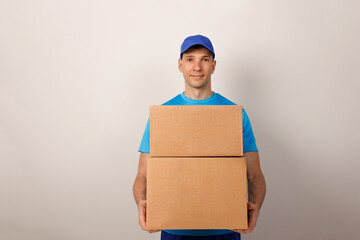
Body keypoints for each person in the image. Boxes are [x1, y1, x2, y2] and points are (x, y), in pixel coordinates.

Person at [133, 35, 266, 240]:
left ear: (213, 66)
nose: (197, 66)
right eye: (190, 59)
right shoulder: (163, 115)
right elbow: (142, 175)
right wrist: (141, 203)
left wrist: (255, 206)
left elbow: (255, 174)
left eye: (204, 59)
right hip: (175, 229)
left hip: (225, 229)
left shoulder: (234, 114)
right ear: (180, 65)